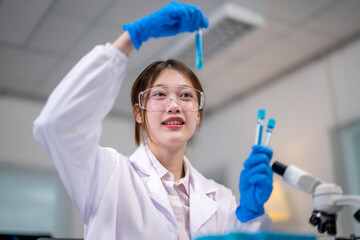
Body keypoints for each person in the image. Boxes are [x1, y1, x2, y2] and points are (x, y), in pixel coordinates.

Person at [33, 1, 274, 240]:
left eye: (186, 95)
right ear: (139, 113)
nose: (174, 106)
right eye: (160, 94)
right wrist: (131, 38)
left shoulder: (221, 199)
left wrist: (249, 216)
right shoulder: (108, 176)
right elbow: (56, 124)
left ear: (198, 114)